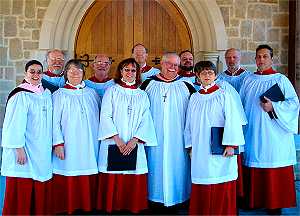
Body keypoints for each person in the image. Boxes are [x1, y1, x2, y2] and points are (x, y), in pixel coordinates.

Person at [240, 44, 299, 214]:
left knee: (272, 161)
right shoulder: (248, 80)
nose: (261, 60)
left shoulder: (280, 80)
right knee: (253, 160)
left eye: (265, 56)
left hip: (274, 134)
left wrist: (274, 107)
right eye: (258, 56)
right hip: (252, 132)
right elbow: (241, 104)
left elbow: (294, 104)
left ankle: (274, 204)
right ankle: (254, 200)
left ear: (272, 59)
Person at [96, 58, 157, 213]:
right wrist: (118, 140)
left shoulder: (142, 95)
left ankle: (131, 206)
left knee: (133, 173)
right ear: (120, 71)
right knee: (113, 173)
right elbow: (105, 116)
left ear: (137, 73)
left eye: (133, 70)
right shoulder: (112, 90)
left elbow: (146, 119)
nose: (130, 73)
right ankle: (112, 206)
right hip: (114, 142)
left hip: (133, 143)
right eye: (126, 69)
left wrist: (134, 141)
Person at [184, 61, 245, 215]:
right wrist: (190, 145)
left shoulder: (224, 95)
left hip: (221, 149)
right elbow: (189, 124)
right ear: (197, 77)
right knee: (202, 179)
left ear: (215, 76)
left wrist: (231, 145)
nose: (207, 75)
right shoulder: (194, 98)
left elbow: (233, 120)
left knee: (220, 179)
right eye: (203, 73)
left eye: (210, 72)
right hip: (200, 150)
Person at [140, 52, 195, 212]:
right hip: (153, 138)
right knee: (154, 168)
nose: (172, 68)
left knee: (178, 167)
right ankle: (154, 200)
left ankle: (179, 199)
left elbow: (196, 113)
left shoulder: (187, 85)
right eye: (169, 64)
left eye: (176, 65)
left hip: (178, 138)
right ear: (162, 64)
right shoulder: (147, 84)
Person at [1, 60, 53, 215]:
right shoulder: (20, 95)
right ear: (26, 73)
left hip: (41, 149)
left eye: (39, 72)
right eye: (32, 71)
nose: (36, 75)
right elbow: (13, 124)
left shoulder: (46, 94)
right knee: (24, 183)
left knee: (39, 181)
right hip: (25, 148)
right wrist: (18, 148)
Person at [51, 59, 101, 214]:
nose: (75, 73)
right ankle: (69, 205)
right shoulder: (59, 94)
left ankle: (88, 204)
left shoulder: (92, 93)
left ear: (83, 74)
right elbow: (54, 122)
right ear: (66, 73)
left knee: (88, 169)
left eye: (78, 71)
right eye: (71, 70)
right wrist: (58, 143)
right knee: (69, 169)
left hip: (90, 142)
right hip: (69, 142)